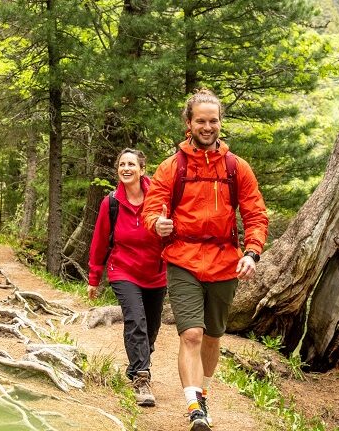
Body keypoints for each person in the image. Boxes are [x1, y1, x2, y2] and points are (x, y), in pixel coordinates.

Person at [142, 89, 268, 431]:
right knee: (192, 335)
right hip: (183, 258)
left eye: (213, 121)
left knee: (213, 337)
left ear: (220, 123)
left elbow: (256, 214)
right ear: (189, 123)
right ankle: (195, 406)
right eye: (201, 121)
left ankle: (203, 391)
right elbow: (151, 209)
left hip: (225, 261)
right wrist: (158, 223)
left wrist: (252, 252)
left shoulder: (236, 167)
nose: (208, 126)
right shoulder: (172, 167)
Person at [86, 148, 166, 407]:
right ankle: (142, 378)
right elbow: (99, 242)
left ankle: (136, 364)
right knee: (135, 319)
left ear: (142, 169)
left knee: (151, 328)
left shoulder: (159, 197)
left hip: (156, 272)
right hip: (123, 270)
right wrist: (94, 278)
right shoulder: (111, 203)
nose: (126, 168)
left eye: (132, 164)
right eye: (122, 164)